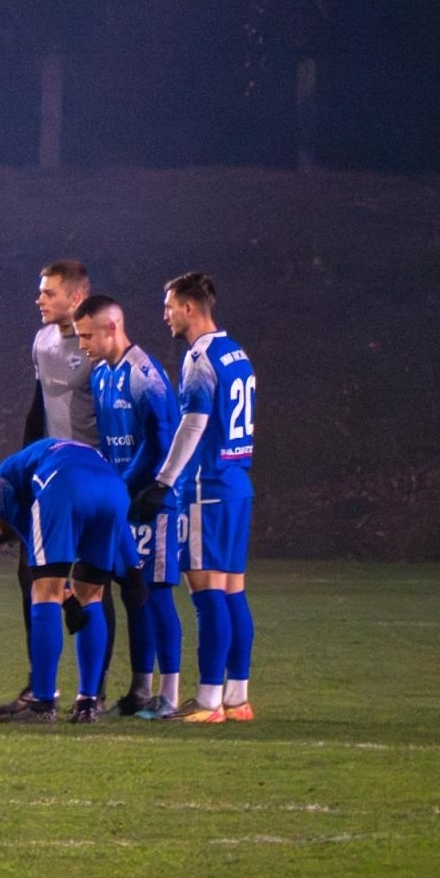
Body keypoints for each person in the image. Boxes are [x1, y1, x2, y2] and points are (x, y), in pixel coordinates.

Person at [130, 272, 256, 724]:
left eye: (168, 305)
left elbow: (195, 424)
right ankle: (237, 697)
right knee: (233, 592)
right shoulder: (236, 352)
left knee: (206, 594)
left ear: (188, 307)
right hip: (238, 483)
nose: (164, 314)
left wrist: (164, 480)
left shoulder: (200, 357)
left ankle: (207, 702)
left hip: (208, 488)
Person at [73, 294, 186, 718]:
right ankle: (140, 690)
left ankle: (169, 695)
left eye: (86, 335)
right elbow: (110, 444)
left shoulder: (146, 376)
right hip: (121, 502)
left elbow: (160, 442)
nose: (81, 344)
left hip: (150, 503)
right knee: (132, 595)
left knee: (156, 594)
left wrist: (125, 489)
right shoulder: (101, 375)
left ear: (111, 328)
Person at [0, 259, 99, 719]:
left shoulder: (96, 344)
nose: (39, 299)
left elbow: (113, 417)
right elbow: (39, 407)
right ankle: (40, 688)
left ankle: (90, 693)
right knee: (33, 578)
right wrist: (25, 471)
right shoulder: (42, 340)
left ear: (76, 298)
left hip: (91, 482)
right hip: (48, 479)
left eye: (49, 293)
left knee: (90, 586)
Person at [0, 440, 136, 724]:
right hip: (114, 489)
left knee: (44, 591)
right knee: (92, 595)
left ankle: (42, 703)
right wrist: (132, 566)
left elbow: (33, 546)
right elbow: (118, 515)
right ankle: (88, 703)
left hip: (64, 484)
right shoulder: (43, 456)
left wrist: (63, 593)